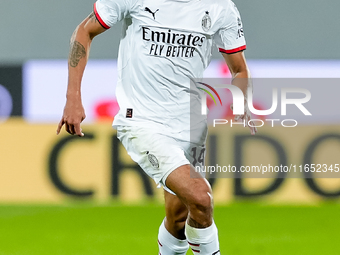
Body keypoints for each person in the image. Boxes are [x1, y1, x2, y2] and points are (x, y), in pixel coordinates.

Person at [57, 0, 256, 254]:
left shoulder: (220, 7)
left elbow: (239, 68)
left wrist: (240, 101)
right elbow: (84, 31)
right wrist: (73, 97)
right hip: (143, 121)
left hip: (191, 126)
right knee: (201, 198)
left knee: (179, 218)